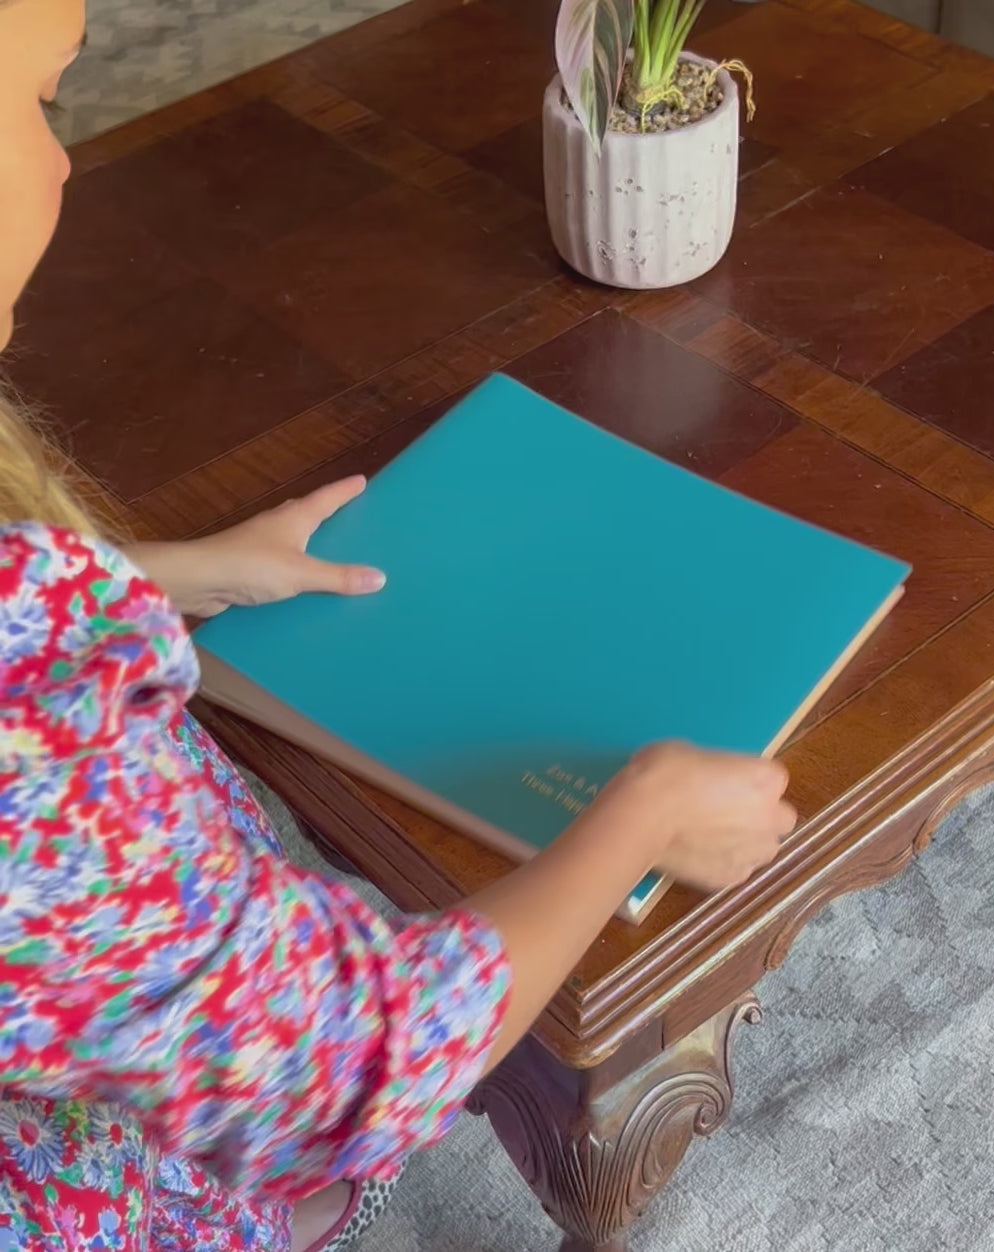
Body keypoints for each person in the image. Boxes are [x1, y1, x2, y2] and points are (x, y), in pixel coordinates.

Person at [0, 0, 797, 1248]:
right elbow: (346, 1066)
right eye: (43, 103)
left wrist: (171, 570)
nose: (64, 156)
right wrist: (637, 815)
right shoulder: (34, 778)